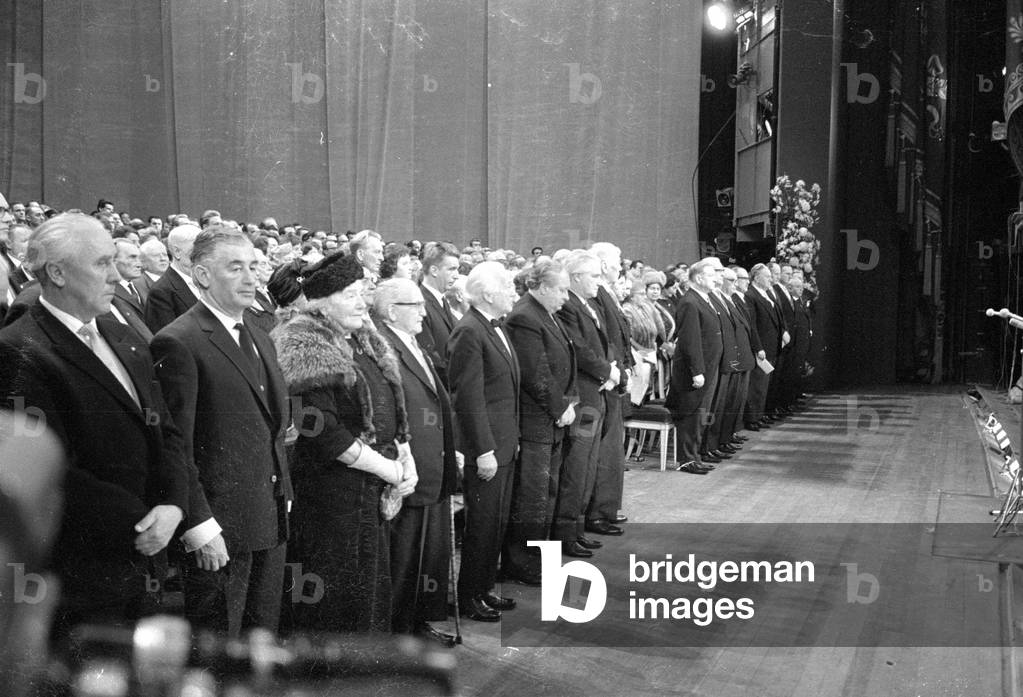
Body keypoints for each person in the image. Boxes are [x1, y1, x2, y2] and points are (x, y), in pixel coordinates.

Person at [0, 213, 190, 637]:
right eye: (102, 263)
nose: (116, 274)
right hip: (89, 572)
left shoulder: (124, 336)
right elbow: (52, 468)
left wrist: (175, 505)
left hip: (149, 554)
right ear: (57, 273)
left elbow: (166, 430)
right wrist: (145, 521)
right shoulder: (18, 349)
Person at [151, 226, 292, 637]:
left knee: (259, 641)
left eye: (253, 266)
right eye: (235, 268)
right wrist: (200, 525)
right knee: (218, 646)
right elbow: (175, 445)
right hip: (219, 528)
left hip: (268, 517)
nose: (251, 278)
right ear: (202, 275)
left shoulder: (261, 336)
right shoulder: (178, 341)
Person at [273, 253, 415, 633]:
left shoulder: (364, 338)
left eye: (362, 292)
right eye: (349, 294)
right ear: (321, 302)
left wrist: (406, 457)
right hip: (332, 497)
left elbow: (392, 406)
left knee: (370, 588)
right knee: (337, 597)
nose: (361, 302)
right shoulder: (303, 342)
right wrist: (387, 468)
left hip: (370, 492)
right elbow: (322, 432)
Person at [373, 278, 460, 647]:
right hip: (410, 468)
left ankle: (419, 624)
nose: (425, 312)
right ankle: (399, 635)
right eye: (416, 306)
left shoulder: (411, 341)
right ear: (393, 311)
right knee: (405, 559)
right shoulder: (382, 345)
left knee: (429, 555)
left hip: (433, 464)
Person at [447, 261, 521, 622]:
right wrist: (484, 450)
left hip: (503, 442)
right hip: (487, 447)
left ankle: (484, 588)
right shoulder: (469, 331)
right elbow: (469, 398)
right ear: (489, 294)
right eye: (508, 287)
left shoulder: (494, 325)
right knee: (481, 526)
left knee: (495, 524)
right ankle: (470, 597)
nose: (514, 293)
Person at [502, 260, 578, 585]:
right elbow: (536, 372)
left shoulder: (544, 312)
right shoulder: (525, 316)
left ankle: (536, 559)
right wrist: (560, 408)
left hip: (550, 419)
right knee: (532, 497)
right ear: (543, 287)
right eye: (561, 290)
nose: (566, 297)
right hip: (537, 421)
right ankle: (522, 563)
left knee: (546, 493)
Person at [554, 251, 616, 557]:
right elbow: (579, 349)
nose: (599, 282)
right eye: (594, 276)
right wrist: (607, 371)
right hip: (583, 398)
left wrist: (610, 370)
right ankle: (566, 533)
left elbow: (603, 344)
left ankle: (577, 529)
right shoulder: (568, 305)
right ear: (576, 277)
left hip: (596, 394)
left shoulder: (589, 304)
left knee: (588, 464)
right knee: (576, 466)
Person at [587, 242, 632, 534]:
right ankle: (600, 512)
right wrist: (617, 370)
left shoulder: (606, 292)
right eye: (617, 261)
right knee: (606, 450)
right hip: (608, 379)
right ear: (604, 265)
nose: (620, 266)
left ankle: (607, 508)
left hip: (616, 376)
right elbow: (605, 340)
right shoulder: (599, 294)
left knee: (612, 449)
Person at [666, 260, 723, 474]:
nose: (716, 279)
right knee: (691, 415)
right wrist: (697, 371)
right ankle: (686, 460)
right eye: (711, 275)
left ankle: (694, 456)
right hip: (696, 370)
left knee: (700, 415)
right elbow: (690, 340)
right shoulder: (690, 301)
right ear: (698, 278)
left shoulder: (703, 299)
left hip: (709, 366)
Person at [417, 241, 460, 386]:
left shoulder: (441, 300)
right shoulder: (420, 303)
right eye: (451, 269)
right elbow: (431, 357)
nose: (456, 276)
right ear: (434, 270)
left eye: (457, 269)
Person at [145, 224, 200, 332]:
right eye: (195, 250)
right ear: (177, 252)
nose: (203, 255)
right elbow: (166, 337)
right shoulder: (161, 292)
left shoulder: (208, 279)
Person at [110, 238, 153, 342]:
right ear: (113, 260)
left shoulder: (142, 286)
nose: (139, 264)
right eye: (132, 257)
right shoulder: (109, 293)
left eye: (139, 258)